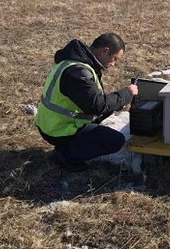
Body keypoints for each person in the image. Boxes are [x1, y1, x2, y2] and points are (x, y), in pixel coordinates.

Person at [35, 33, 139, 171]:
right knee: (114, 141)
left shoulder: (73, 62)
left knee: (105, 112)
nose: (114, 64)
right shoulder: (78, 72)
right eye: (114, 59)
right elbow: (97, 105)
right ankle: (65, 156)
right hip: (57, 129)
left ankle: (68, 146)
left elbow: (92, 102)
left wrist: (114, 104)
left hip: (51, 122)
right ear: (104, 51)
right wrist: (127, 93)